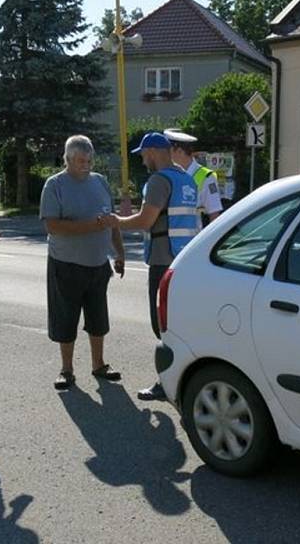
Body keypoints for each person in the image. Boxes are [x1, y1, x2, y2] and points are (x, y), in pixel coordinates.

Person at [100, 132, 199, 401]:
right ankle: (183, 380)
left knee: (162, 326)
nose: (143, 160)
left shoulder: (158, 181)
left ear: (154, 151)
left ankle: (165, 384)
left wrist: (115, 221)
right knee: (180, 324)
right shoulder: (186, 179)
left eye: (143, 154)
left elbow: (145, 221)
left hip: (162, 260)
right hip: (185, 259)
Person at [39, 135, 125, 390]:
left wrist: (119, 253)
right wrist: (92, 225)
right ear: (67, 159)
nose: (85, 165)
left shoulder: (99, 182)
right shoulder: (54, 185)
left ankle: (99, 365)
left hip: (98, 264)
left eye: (89, 160)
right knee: (65, 318)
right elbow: (52, 226)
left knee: (98, 318)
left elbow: (112, 222)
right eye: (79, 161)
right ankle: (66, 370)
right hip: (65, 264)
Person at [165, 128, 223, 224]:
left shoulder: (206, 177)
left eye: (168, 152)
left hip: (194, 237)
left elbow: (214, 214)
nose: (166, 156)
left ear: (179, 151)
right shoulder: (168, 174)